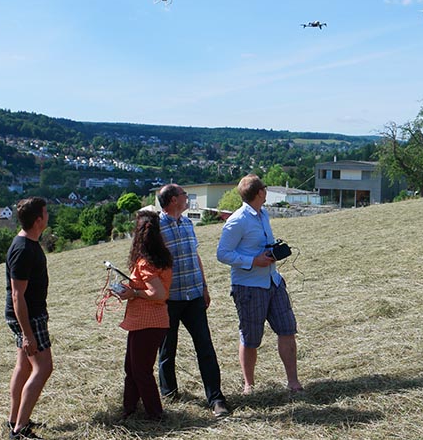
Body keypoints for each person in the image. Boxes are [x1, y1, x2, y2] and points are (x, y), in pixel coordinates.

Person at [216, 174, 303, 395]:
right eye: (264, 188)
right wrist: (253, 261)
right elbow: (222, 254)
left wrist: (271, 251)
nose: (266, 191)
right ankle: (249, 386)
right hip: (249, 287)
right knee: (251, 338)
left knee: (287, 329)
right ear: (260, 193)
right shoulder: (238, 220)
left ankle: (293, 382)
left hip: (273, 281)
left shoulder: (262, 214)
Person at [155, 184, 230, 419]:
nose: (187, 199)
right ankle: (169, 394)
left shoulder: (187, 224)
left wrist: (205, 287)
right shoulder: (156, 228)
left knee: (205, 347)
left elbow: (195, 256)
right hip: (170, 299)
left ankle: (216, 398)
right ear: (173, 200)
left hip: (194, 295)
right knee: (167, 350)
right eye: (184, 196)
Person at [5, 197, 53, 440]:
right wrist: (27, 333)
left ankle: (15, 419)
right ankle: (21, 429)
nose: (48, 216)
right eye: (46, 213)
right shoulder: (23, 250)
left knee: (24, 366)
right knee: (44, 367)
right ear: (38, 220)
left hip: (29, 315)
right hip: (29, 317)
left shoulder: (27, 242)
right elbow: (17, 295)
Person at [118, 210, 173, 421]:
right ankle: (129, 409)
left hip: (147, 323)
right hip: (151, 322)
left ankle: (155, 414)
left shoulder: (144, 262)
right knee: (132, 368)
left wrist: (133, 293)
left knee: (140, 370)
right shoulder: (161, 257)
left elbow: (158, 293)